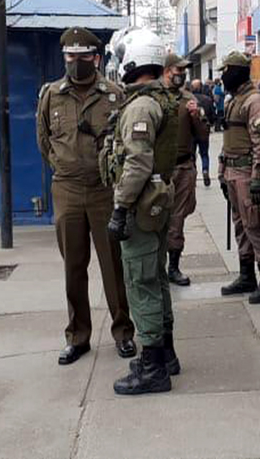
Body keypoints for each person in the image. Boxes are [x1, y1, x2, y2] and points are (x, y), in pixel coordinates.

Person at [37, 27, 136, 366]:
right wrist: (62, 167)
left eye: (82, 57)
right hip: (66, 190)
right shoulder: (52, 95)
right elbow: (44, 140)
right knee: (73, 267)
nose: (76, 62)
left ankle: (123, 332)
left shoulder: (114, 94)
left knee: (114, 266)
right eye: (70, 57)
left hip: (103, 190)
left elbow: (124, 142)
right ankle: (78, 337)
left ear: (96, 58)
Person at [103, 28, 180, 395]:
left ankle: (153, 369)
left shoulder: (141, 106)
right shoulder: (162, 100)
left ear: (134, 60)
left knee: (141, 281)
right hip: (157, 202)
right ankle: (164, 354)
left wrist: (120, 208)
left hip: (140, 205)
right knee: (157, 277)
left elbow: (136, 163)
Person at [218, 51, 260, 304]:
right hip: (232, 172)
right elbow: (229, 138)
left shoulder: (255, 101)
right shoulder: (234, 100)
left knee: (254, 225)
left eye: (226, 70)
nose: (222, 75)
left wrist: (257, 179)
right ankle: (246, 276)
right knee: (240, 226)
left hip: (246, 173)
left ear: (238, 71)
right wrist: (221, 172)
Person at [162, 58, 208, 287]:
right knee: (155, 217)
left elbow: (203, 135)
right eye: (178, 70)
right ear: (166, 71)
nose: (182, 74)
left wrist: (196, 117)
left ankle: (173, 266)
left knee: (177, 218)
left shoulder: (189, 99)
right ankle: (156, 264)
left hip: (183, 167)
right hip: (159, 169)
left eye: (184, 71)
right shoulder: (154, 97)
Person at [190, 79, 215, 187]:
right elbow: (212, 116)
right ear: (201, 87)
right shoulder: (208, 99)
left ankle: (193, 175)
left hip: (191, 132)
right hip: (204, 131)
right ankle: (205, 170)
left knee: (192, 154)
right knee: (204, 154)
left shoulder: (188, 100)